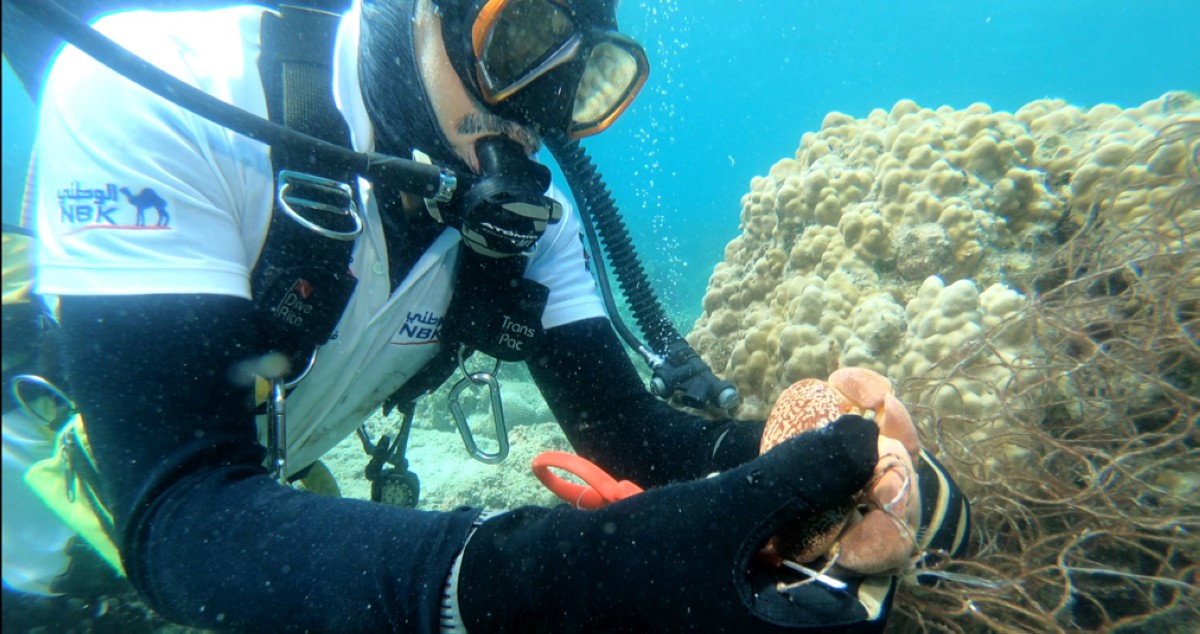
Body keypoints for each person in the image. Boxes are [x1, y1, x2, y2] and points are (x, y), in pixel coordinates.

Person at [4, 0, 969, 631]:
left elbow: (624, 432)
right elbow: (179, 512)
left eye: (581, 76)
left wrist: (804, 462)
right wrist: (517, 579)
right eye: (517, 46)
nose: (538, 106)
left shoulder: (518, 223)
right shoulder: (156, 89)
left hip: (260, 499)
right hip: (41, 505)